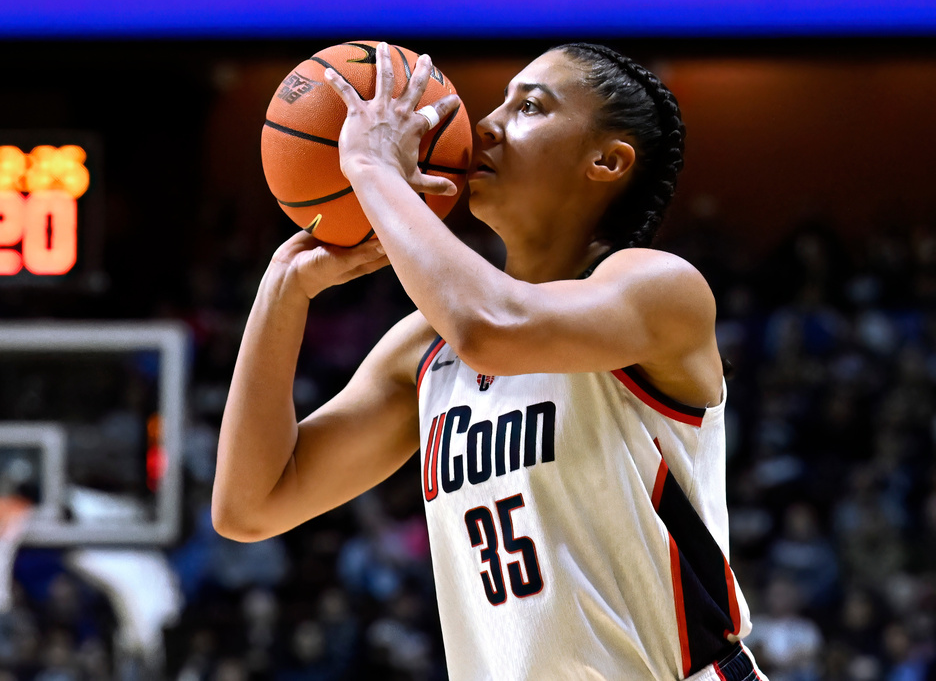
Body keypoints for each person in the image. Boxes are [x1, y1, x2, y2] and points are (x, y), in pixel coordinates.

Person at [213, 41, 768, 681]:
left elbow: (493, 326)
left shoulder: (657, 289)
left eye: (530, 107)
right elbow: (249, 506)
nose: (485, 125)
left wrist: (372, 168)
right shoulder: (426, 346)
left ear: (607, 161)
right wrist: (284, 286)